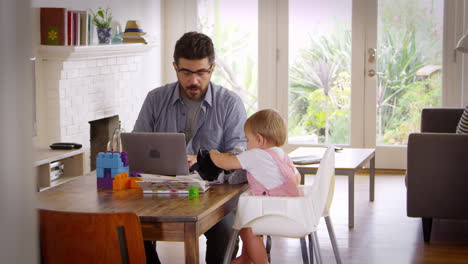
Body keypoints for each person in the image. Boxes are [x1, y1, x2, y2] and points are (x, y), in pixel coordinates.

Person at [133, 31, 247, 264]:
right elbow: (136, 145)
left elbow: (239, 155)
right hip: (160, 188)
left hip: (214, 193)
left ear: (212, 69)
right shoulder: (155, 99)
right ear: (175, 67)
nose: (193, 81)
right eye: (186, 72)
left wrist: (204, 159)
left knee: (225, 233)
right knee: (129, 225)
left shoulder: (230, 103)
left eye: (201, 72)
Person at [210, 109, 301, 264]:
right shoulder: (282, 155)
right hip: (290, 209)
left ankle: (259, 261)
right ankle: (247, 258)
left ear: (259, 140)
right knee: (252, 223)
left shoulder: (256, 155)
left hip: (274, 212)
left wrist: (212, 153)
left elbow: (226, 163)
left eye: (247, 140)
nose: (246, 144)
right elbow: (296, 178)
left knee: (247, 229)